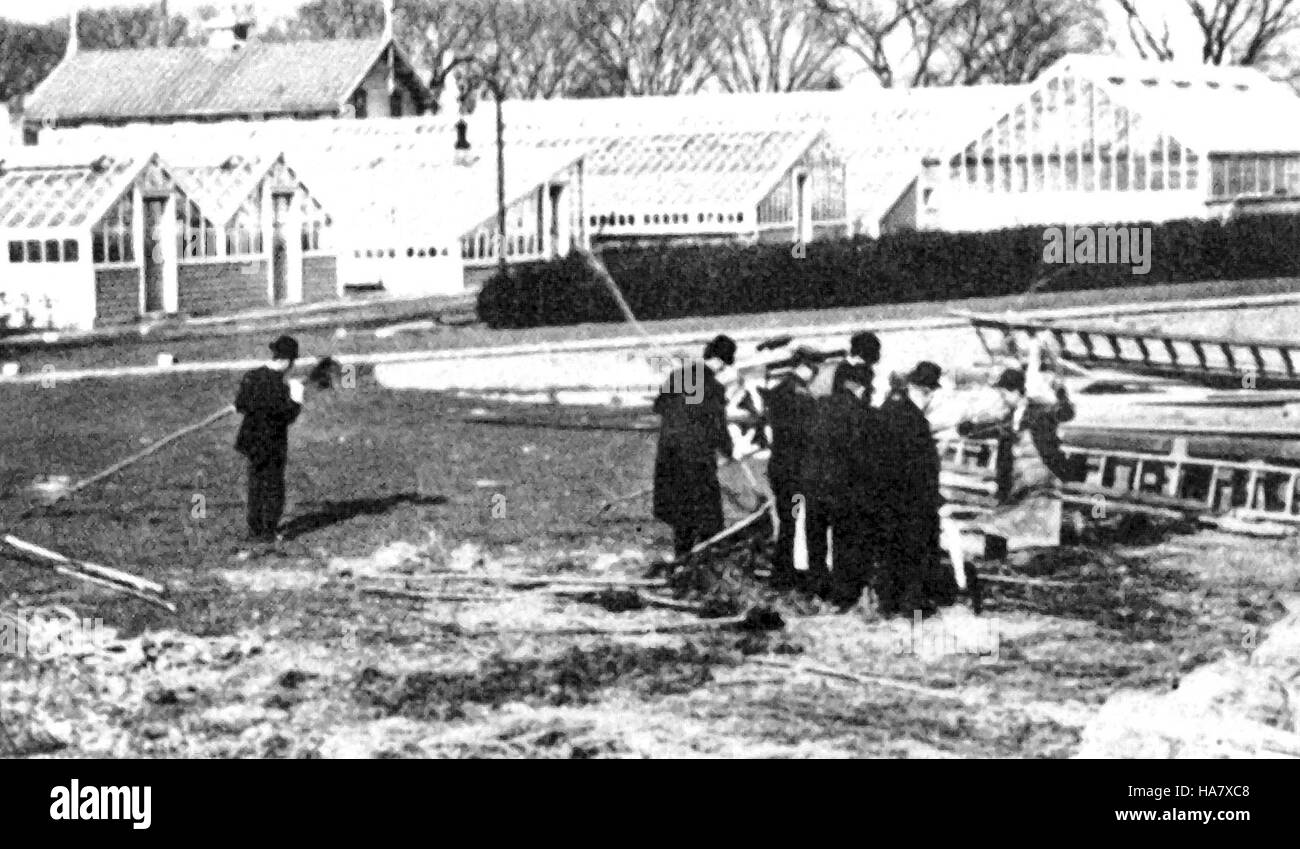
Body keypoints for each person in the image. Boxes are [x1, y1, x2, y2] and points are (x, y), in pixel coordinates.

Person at [957, 367, 1076, 556]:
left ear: (1014, 391)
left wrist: (1061, 393)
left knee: (1018, 523)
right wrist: (968, 428)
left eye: (1003, 393)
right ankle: (1000, 557)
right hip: (1019, 480)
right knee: (1004, 521)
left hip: (1041, 479)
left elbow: (1065, 413)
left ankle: (1019, 557)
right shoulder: (1009, 416)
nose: (1002, 398)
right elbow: (986, 430)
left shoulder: (1039, 410)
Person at [878, 361, 957, 616]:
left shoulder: (886, 409)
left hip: (887, 493)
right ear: (923, 390)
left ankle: (889, 602)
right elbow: (920, 465)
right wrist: (933, 496)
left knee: (891, 549)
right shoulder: (914, 419)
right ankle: (914, 604)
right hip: (914, 496)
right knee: (917, 548)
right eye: (930, 392)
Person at [803, 361, 882, 608]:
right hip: (843, 488)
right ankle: (842, 594)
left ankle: (816, 589)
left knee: (815, 540)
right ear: (858, 385)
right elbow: (862, 456)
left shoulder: (818, 407)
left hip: (814, 485)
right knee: (843, 541)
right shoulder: (862, 413)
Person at [653, 335, 736, 559]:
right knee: (709, 516)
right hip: (697, 459)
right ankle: (708, 560)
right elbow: (718, 427)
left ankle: (682, 558)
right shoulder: (713, 387)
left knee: (682, 516)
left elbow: (659, 407)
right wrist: (729, 451)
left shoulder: (678, 376)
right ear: (722, 362)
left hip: (670, 456)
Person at [759, 348, 820, 588]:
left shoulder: (778, 391)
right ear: (803, 366)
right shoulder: (801, 395)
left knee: (788, 521)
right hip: (796, 470)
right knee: (797, 521)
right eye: (813, 369)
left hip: (780, 466)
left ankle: (783, 571)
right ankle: (789, 573)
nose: (815, 374)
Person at [235, 335, 304, 542]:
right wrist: (297, 398)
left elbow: (240, 404)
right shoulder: (282, 387)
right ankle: (268, 531)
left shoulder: (252, 376)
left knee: (255, 485)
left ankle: (254, 529)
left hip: (251, 443)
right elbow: (288, 416)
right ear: (287, 361)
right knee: (273, 486)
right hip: (272, 444)